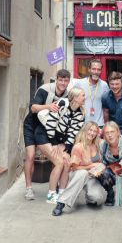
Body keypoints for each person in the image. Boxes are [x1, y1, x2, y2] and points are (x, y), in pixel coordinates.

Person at [22, 69, 70, 201]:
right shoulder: (45, 89)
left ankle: (56, 187)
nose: (63, 83)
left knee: (56, 156)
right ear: (56, 79)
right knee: (31, 155)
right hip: (31, 125)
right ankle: (29, 188)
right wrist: (48, 106)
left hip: (47, 128)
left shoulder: (66, 95)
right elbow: (33, 108)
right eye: (61, 80)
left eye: (66, 80)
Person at [34, 87, 86, 203]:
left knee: (67, 162)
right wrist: (54, 144)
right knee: (59, 162)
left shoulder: (81, 114)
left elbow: (74, 132)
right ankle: (51, 195)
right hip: (44, 135)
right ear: (76, 97)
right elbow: (51, 124)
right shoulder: (62, 104)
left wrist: (67, 148)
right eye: (83, 95)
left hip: (59, 140)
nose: (84, 98)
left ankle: (62, 193)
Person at [51, 122, 107, 216]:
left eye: (94, 131)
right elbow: (74, 168)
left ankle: (89, 196)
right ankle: (61, 203)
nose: (92, 133)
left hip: (92, 176)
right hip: (77, 174)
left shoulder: (97, 145)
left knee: (98, 199)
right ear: (85, 130)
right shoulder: (78, 147)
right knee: (83, 173)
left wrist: (100, 168)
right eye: (90, 130)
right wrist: (90, 166)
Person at [71, 59, 109, 128]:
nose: (96, 72)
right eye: (93, 69)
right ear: (89, 69)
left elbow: (107, 106)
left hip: (99, 125)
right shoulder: (79, 83)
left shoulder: (104, 85)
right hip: (82, 123)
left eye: (98, 69)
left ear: (101, 71)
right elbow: (72, 101)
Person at [101, 71, 122, 139]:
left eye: (117, 84)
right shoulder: (105, 97)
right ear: (108, 84)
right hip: (112, 129)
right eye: (112, 84)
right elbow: (106, 118)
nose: (114, 86)